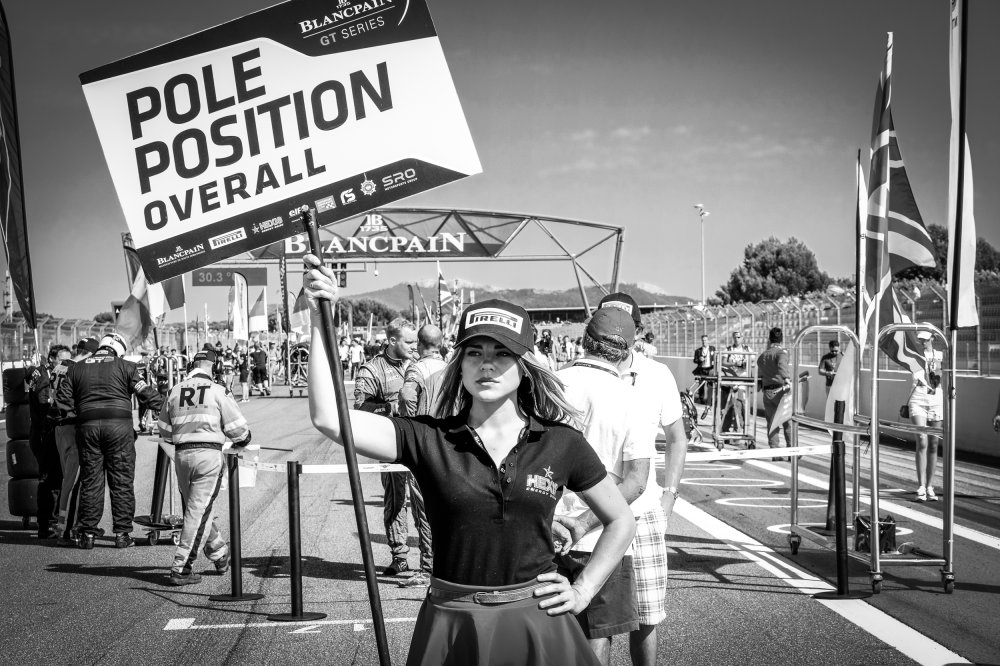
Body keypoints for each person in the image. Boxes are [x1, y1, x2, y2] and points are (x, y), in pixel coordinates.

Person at [304, 255, 634, 666]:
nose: (487, 364)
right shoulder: (428, 437)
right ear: (459, 366)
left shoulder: (561, 442)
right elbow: (329, 417)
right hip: (451, 621)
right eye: (474, 352)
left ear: (524, 367)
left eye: (502, 353)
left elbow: (621, 520)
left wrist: (583, 590)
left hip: (538, 622)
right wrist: (319, 319)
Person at [554, 307, 656, 664]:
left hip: (541, 527)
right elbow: (636, 482)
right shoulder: (634, 398)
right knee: (597, 635)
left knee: (538, 631)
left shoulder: (549, 384)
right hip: (603, 537)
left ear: (584, 340)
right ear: (628, 350)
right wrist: (583, 523)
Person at [595, 292, 685, 666]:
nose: (614, 332)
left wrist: (670, 495)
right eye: (606, 323)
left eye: (623, 325)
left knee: (647, 616)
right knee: (597, 623)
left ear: (637, 330)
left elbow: (677, 437)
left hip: (644, 511)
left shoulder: (656, 374)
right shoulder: (577, 374)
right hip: (594, 512)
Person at [55, 333, 163, 549]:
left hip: (87, 429)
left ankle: (87, 534)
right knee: (121, 481)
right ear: (119, 349)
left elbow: (62, 399)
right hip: (119, 429)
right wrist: (167, 408)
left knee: (91, 481)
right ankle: (122, 535)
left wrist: (82, 414)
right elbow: (146, 394)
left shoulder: (77, 368)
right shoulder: (126, 366)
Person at [158, 348, 252, 585]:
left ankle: (219, 553)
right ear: (216, 367)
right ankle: (181, 568)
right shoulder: (218, 390)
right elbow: (239, 431)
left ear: (192, 366)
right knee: (197, 513)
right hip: (208, 457)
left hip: (181, 456)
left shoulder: (174, 390)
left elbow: (164, 431)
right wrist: (243, 440)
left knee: (196, 511)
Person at [355, 317, 421, 576]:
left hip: (422, 441)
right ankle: (399, 555)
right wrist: (391, 407)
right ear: (392, 340)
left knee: (427, 499)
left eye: (416, 341)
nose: (415, 346)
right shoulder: (372, 369)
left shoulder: (419, 363)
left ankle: (431, 557)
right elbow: (361, 408)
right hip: (392, 443)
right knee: (396, 500)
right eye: (409, 341)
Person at [395, 324, 447, 588]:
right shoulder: (452, 368)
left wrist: (412, 422)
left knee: (423, 508)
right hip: (451, 442)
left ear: (419, 344)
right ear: (441, 343)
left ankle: (428, 568)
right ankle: (447, 565)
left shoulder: (417, 369)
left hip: (425, 443)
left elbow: (406, 395)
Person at [51, 337, 100, 545]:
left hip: (59, 427)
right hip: (72, 427)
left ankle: (68, 524)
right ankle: (64, 529)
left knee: (68, 479)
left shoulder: (59, 367)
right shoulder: (77, 369)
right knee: (73, 482)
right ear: (90, 354)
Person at [26, 345, 70, 539]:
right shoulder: (45, 377)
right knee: (49, 480)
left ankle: (50, 521)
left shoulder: (48, 374)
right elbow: (46, 407)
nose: (65, 364)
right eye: (62, 360)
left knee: (55, 479)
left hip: (47, 432)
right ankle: (46, 524)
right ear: (52, 359)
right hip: (44, 434)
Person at [908, 330, 944, 502]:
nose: (922, 342)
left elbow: (942, 375)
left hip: (936, 397)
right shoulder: (914, 355)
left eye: (925, 339)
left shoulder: (940, 355)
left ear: (933, 338)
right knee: (922, 440)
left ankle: (930, 486)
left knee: (934, 443)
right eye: (920, 339)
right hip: (918, 397)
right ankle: (921, 486)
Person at [757, 327, 792, 458]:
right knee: (787, 422)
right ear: (781, 339)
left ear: (769, 339)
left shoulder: (763, 355)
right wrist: (787, 379)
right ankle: (792, 450)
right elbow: (782, 366)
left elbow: (760, 372)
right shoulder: (781, 353)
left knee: (772, 422)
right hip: (780, 391)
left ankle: (775, 451)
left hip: (767, 392)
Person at [720, 331, 753, 433]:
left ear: (742, 338)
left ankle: (739, 428)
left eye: (738, 337)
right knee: (729, 406)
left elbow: (753, 362)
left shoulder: (747, 349)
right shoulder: (728, 349)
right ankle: (729, 429)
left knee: (741, 405)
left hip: (743, 381)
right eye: (735, 337)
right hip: (731, 381)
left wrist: (745, 363)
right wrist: (734, 363)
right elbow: (723, 362)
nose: (736, 339)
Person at [692, 335, 716, 405]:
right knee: (701, 385)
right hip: (702, 369)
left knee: (710, 385)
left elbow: (715, 357)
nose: (704, 342)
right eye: (703, 340)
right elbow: (695, 360)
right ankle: (701, 400)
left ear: (708, 341)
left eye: (705, 340)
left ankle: (709, 401)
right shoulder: (698, 350)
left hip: (710, 369)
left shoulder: (712, 348)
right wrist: (699, 359)